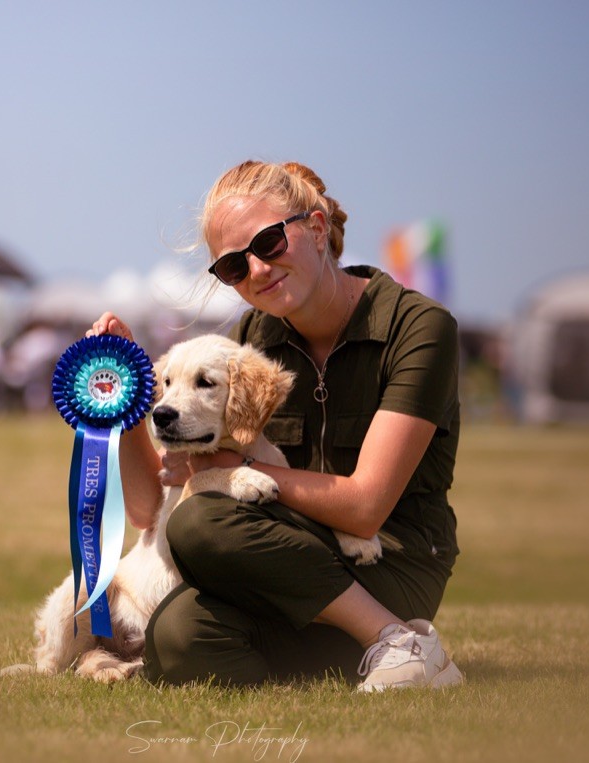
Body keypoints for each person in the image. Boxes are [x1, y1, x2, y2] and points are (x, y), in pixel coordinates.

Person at [88, 160, 463, 690]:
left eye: (268, 243)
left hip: (389, 562)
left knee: (201, 522)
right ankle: (334, 656)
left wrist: (233, 467)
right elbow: (151, 509)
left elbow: (364, 507)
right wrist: (126, 399)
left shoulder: (419, 327)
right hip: (280, 557)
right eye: (233, 267)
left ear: (314, 229)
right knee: (176, 637)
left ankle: (399, 640)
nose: (257, 271)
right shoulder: (255, 337)